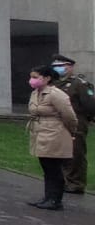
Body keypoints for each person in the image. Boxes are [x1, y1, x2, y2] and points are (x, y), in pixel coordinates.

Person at [26, 64, 79, 211]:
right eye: (31, 77)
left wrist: (72, 132)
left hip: (55, 134)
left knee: (54, 168)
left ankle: (55, 199)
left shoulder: (56, 94)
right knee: (46, 167)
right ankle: (48, 197)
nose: (32, 80)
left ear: (47, 78)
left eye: (36, 77)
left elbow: (69, 116)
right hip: (41, 133)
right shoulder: (36, 93)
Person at [51, 53, 94, 195]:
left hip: (76, 123)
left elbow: (90, 104)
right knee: (60, 153)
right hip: (57, 124)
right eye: (55, 66)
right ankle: (64, 180)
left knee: (76, 154)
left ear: (70, 67)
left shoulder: (79, 84)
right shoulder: (54, 83)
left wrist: (86, 120)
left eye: (60, 66)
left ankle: (76, 183)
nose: (57, 69)